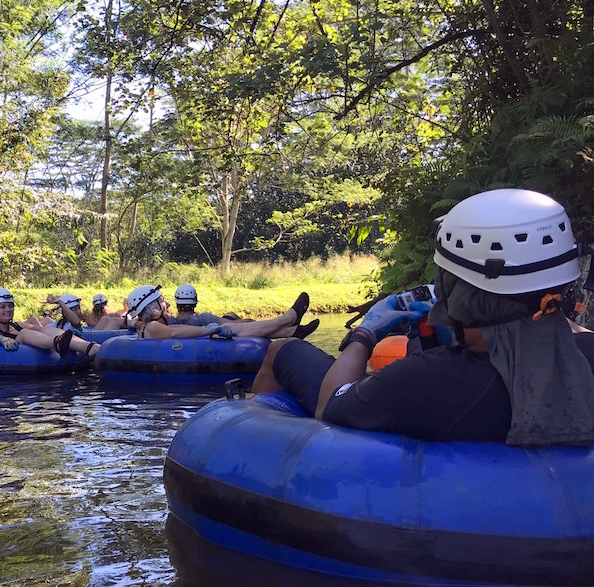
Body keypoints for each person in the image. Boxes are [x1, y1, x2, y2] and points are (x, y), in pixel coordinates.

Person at [250, 188, 594, 446]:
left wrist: (364, 336)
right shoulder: (586, 353)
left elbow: (329, 408)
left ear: (457, 291)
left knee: (281, 350)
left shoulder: (427, 380)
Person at [126, 284, 314, 341]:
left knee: (232, 327)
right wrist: (210, 329)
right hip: (198, 342)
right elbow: (173, 333)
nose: (166, 302)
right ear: (153, 307)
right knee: (234, 328)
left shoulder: (147, 326)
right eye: (161, 301)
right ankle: (287, 320)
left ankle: (290, 331)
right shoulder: (152, 327)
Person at [0, 288, 100, 358]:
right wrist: (0, 338)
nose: (8, 310)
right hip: (14, 353)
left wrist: (67, 332)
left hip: (34, 342)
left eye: (10, 306)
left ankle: (89, 347)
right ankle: (57, 343)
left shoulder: (18, 324)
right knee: (23, 333)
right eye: (3, 307)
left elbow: (42, 330)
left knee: (46, 329)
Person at [171, 283, 320, 338]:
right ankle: (288, 322)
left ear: (177, 303)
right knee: (235, 321)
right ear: (195, 302)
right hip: (217, 332)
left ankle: (292, 331)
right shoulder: (203, 319)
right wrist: (249, 322)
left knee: (230, 315)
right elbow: (234, 326)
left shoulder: (170, 322)